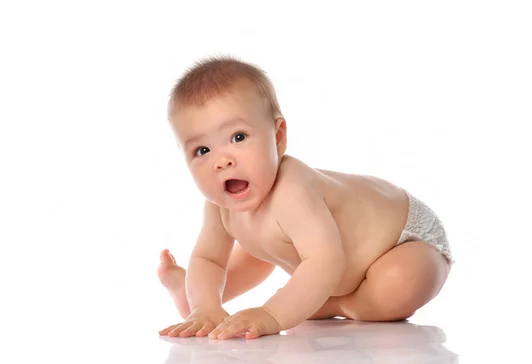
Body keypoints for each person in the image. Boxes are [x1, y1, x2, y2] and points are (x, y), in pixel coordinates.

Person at [157, 56, 454, 340]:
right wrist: (205, 306)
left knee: (397, 283)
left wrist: (272, 314)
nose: (221, 162)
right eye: (202, 151)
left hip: (402, 240)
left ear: (278, 137)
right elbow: (208, 259)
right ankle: (194, 298)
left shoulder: (293, 190)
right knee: (258, 247)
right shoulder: (219, 206)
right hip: (318, 257)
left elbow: (325, 261)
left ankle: (336, 304)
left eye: (238, 137)